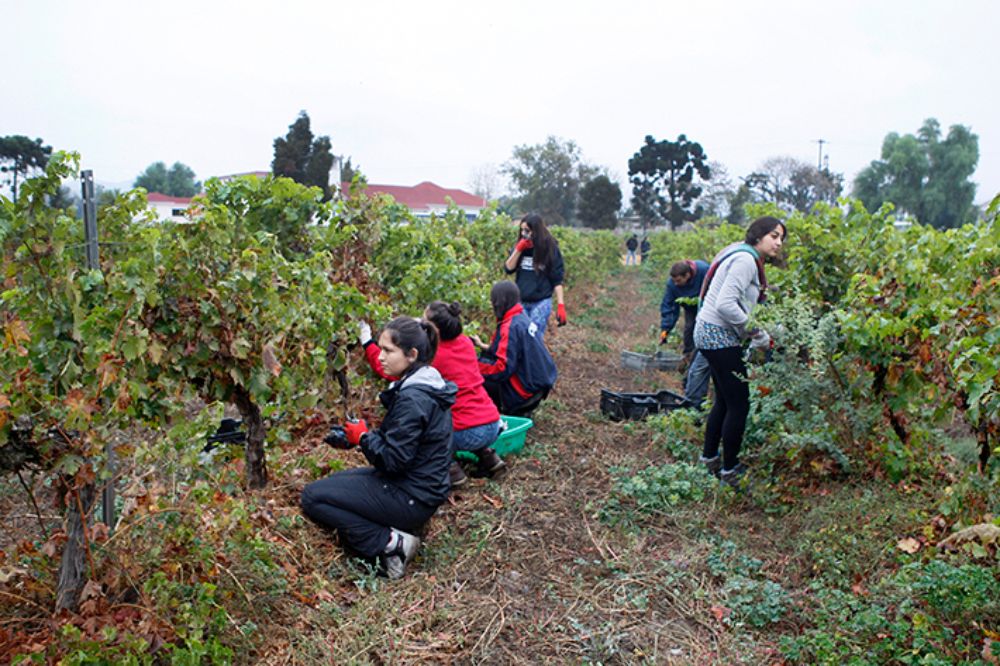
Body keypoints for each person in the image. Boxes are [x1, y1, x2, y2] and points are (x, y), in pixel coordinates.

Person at [301, 317, 456, 580]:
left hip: (412, 496)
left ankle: (391, 544)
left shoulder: (413, 398)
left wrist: (363, 438)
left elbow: (393, 461)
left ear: (412, 355)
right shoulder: (422, 385)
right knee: (332, 485)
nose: (380, 357)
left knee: (314, 497)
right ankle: (395, 532)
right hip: (418, 488)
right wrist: (355, 438)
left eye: (388, 350)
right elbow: (402, 444)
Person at [360, 303, 507, 488]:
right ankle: (489, 457)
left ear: (434, 330)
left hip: (465, 432)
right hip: (492, 423)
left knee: (422, 431)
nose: (421, 325)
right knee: (458, 413)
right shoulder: (466, 343)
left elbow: (388, 370)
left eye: (424, 321)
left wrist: (367, 343)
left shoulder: (434, 356)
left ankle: (452, 470)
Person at [694, 216, 786, 487]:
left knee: (724, 400)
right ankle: (730, 471)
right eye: (774, 235)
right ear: (758, 235)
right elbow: (725, 305)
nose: (779, 242)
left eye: (781, 238)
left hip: (709, 333)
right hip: (717, 336)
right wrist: (755, 331)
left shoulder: (741, 254)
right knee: (739, 404)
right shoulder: (747, 261)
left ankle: (710, 459)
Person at [473, 281, 558, 417]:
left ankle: (491, 418)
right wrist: (484, 346)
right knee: (485, 363)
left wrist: (472, 366)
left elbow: (502, 368)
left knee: (474, 380)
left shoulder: (510, 326)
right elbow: (512, 351)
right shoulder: (520, 317)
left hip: (525, 393)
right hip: (538, 387)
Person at [504, 213, 566, 339]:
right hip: (521, 300)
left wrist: (561, 305)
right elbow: (508, 268)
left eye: (527, 230)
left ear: (536, 230)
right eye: (521, 230)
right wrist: (518, 250)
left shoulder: (550, 249)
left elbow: (557, 280)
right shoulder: (521, 247)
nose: (523, 233)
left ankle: (534, 359)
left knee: (533, 337)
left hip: (541, 301)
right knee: (519, 336)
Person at [660, 259, 712, 408]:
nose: (676, 284)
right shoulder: (673, 285)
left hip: (708, 308)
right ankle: (688, 370)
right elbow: (669, 306)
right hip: (691, 308)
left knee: (701, 343)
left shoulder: (704, 271)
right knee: (689, 331)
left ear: (688, 275)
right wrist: (666, 329)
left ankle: (695, 379)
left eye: (679, 280)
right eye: (674, 281)